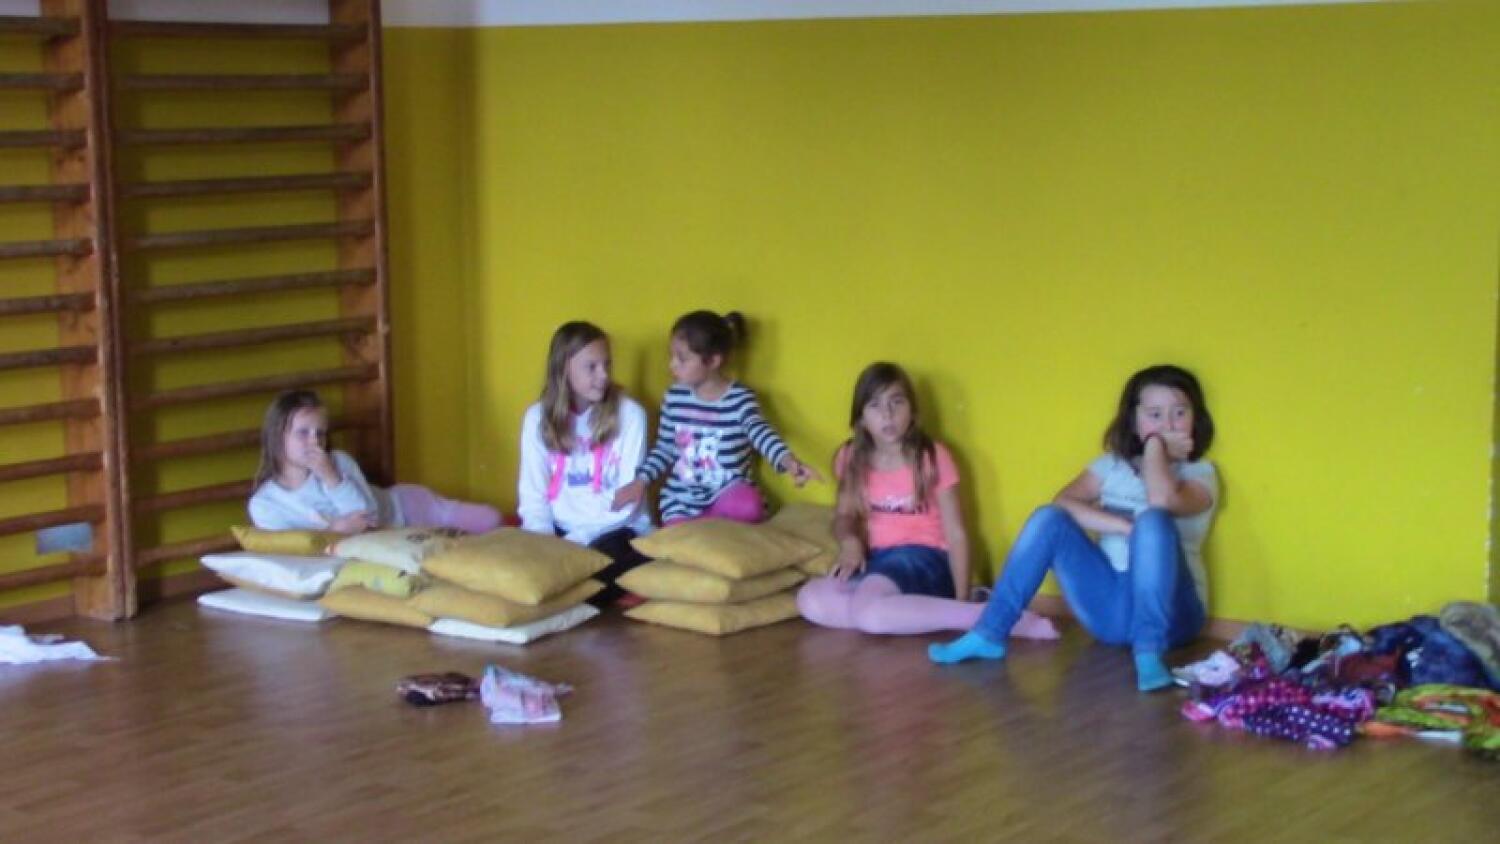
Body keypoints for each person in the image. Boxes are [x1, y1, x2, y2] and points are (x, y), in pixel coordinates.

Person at [929, 364, 1219, 692]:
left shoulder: (1200, 474)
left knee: (1153, 522)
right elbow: (1063, 503)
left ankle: (1149, 654)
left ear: (1195, 418)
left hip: (1174, 617)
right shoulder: (1110, 466)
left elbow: (1161, 499)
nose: (1167, 425)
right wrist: (1125, 528)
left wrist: (1155, 446)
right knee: (1048, 518)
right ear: (1133, 420)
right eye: (1154, 415)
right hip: (1111, 610)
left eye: (1179, 413)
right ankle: (989, 633)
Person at [796, 362, 1057, 640]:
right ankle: (905, 614)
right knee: (811, 599)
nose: (887, 414)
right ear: (861, 418)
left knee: (869, 607)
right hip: (879, 561)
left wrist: (960, 595)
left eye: (897, 402)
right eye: (875, 405)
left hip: (928, 560)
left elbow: (956, 534)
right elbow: (844, 516)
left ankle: (990, 617)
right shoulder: (850, 457)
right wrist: (850, 543)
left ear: (912, 410)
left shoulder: (932, 456)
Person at [613, 310, 819, 523]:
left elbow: (760, 432)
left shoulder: (739, 399)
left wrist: (788, 461)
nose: (672, 365)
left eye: (682, 359)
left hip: (727, 494)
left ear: (712, 361)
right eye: (671, 356)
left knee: (750, 504)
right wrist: (640, 481)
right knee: (679, 533)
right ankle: (702, 529)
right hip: (683, 500)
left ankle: (714, 527)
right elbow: (665, 448)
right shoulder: (675, 397)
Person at [518, 321, 652, 604]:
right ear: (564, 369)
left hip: (613, 529)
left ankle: (569, 603)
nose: (603, 375)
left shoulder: (631, 415)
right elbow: (533, 495)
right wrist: (543, 544)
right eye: (591, 367)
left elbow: (626, 505)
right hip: (559, 531)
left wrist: (575, 543)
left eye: (607, 365)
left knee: (613, 563)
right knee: (522, 569)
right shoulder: (537, 419)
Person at [249, 390, 500, 534]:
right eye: (303, 433)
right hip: (389, 542)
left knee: (490, 520)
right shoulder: (265, 504)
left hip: (406, 509)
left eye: (321, 433)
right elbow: (296, 550)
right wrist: (336, 529)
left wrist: (332, 479)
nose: (315, 441)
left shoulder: (338, 462)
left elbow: (368, 518)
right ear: (277, 437)